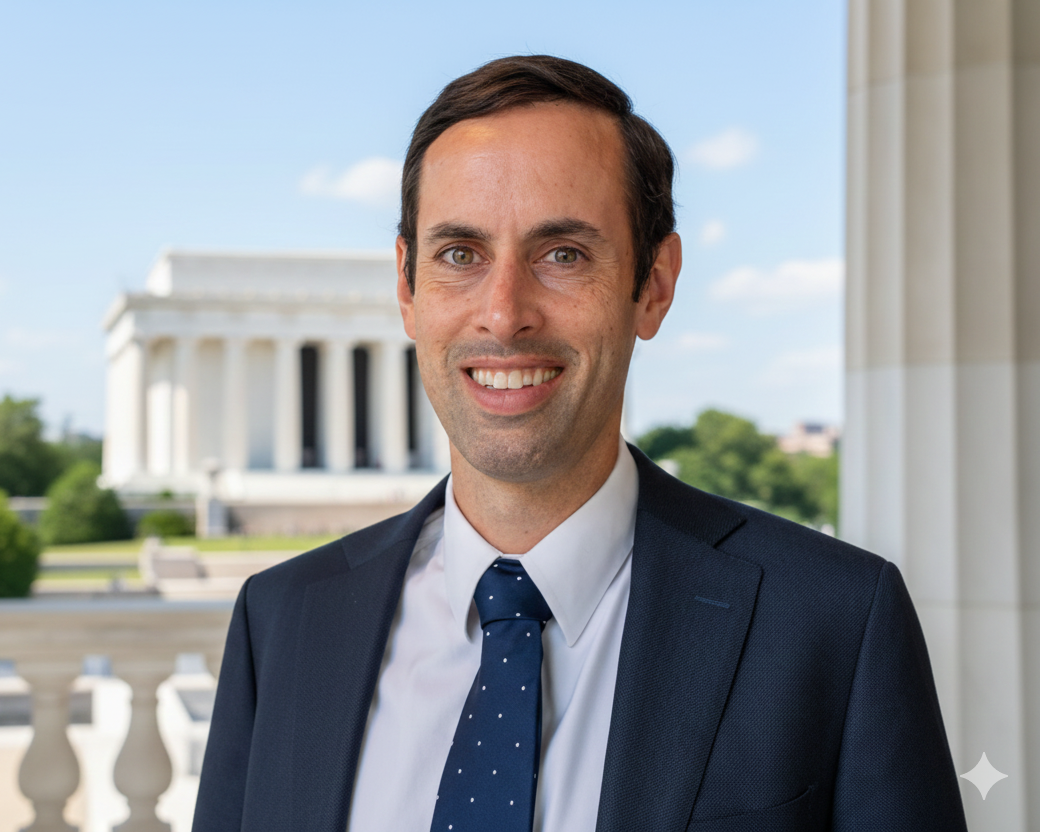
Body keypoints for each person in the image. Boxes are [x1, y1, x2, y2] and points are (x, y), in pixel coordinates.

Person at [191, 55, 966, 832]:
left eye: (563, 254)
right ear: (407, 287)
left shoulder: (832, 621)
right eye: (460, 254)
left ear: (654, 284)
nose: (504, 314)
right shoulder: (284, 621)